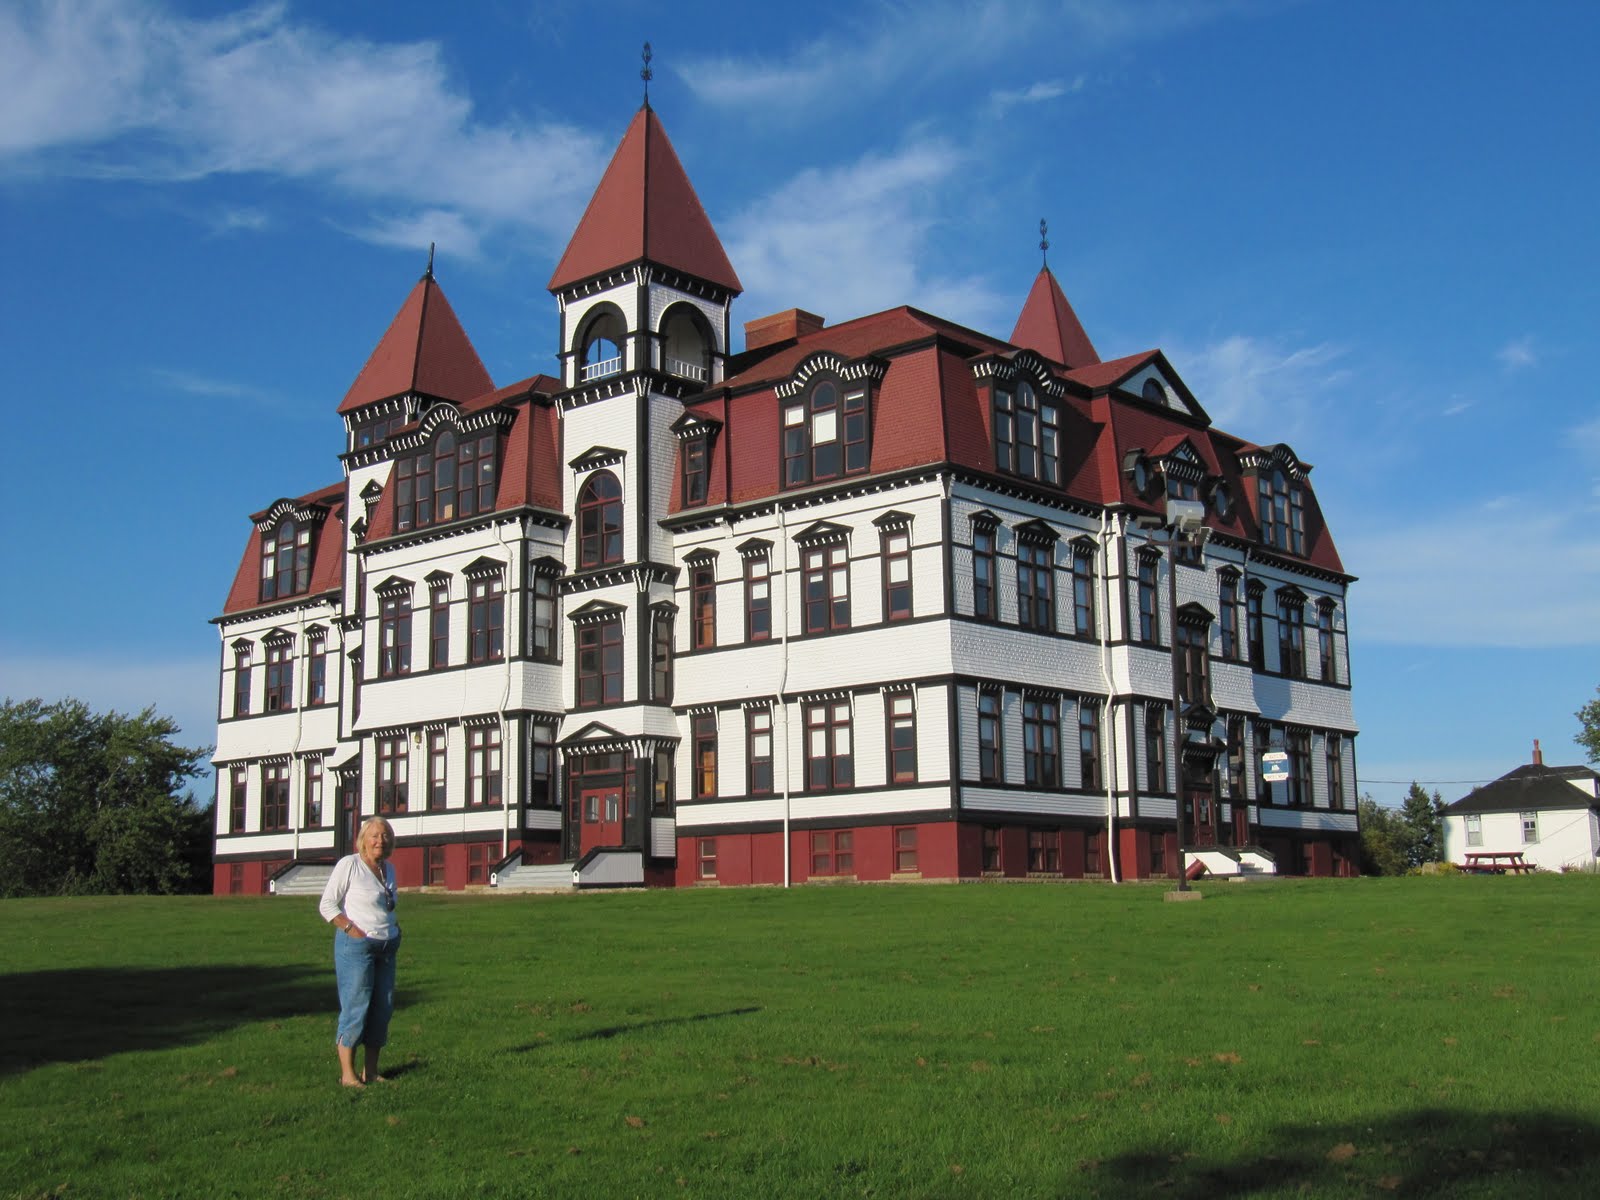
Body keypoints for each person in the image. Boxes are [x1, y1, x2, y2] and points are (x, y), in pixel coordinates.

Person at [318, 816, 401, 1087]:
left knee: (382, 1008)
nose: (380, 840)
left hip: (386, 946)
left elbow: (387, 906)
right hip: (357, 947)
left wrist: (394, 929)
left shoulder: (388, 870)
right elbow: (327, 905)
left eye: (385, 835)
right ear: (363, 839)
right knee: (356, 1007)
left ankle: (372, 1071)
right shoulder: (350, 865)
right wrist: (350, 929)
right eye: (374, 835)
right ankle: (348, 1075)